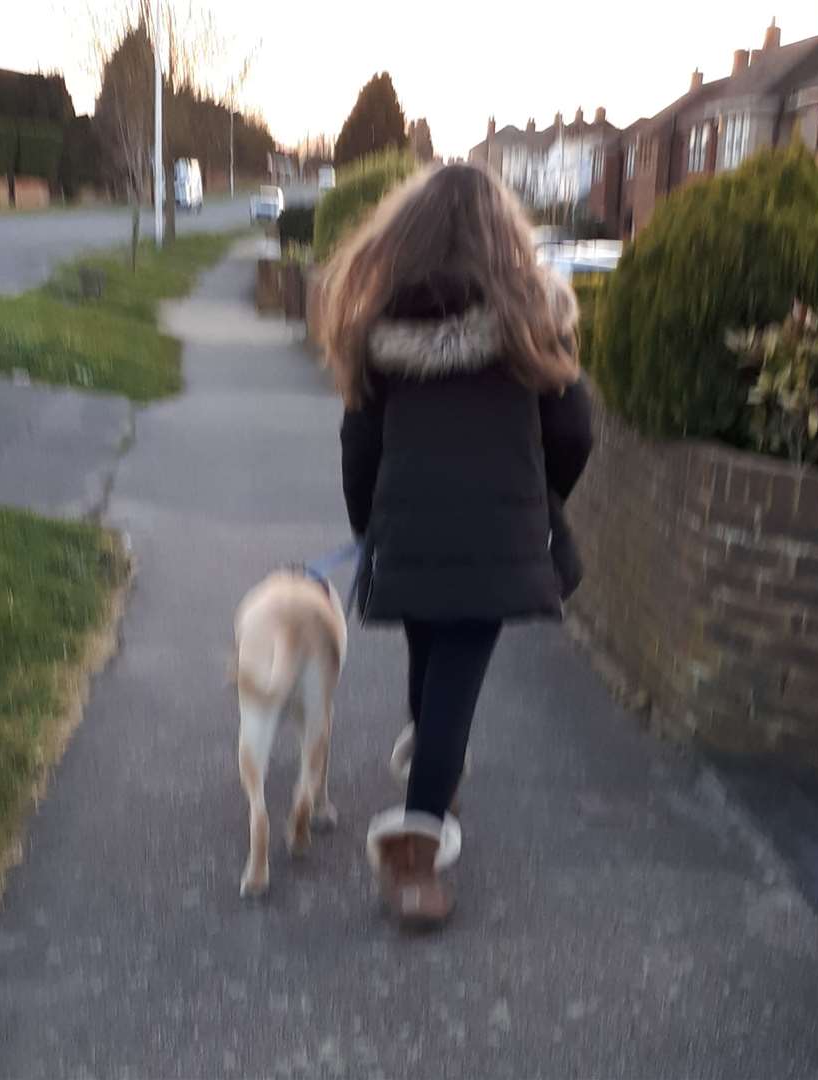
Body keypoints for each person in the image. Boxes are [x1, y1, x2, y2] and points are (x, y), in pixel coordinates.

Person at [316, 163, 594, 930]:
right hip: (494, 537)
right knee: (456, 675)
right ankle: (414, 853)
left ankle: (432, 784)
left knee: (430, 655)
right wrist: (542, 500)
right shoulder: (532, 323)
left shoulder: (378, 328)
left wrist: (368, 525)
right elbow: (574, 430)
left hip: (408, 534)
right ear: (503, 234)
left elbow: (359, 443)